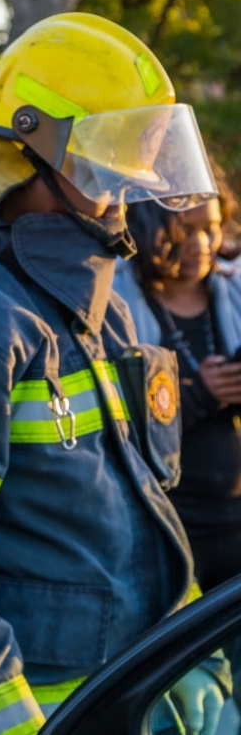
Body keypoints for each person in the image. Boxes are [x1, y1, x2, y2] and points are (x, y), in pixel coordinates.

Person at [0, 13, 227, 732]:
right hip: (59, 700)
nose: (124, 189)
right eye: (108, 161)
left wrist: (186, 655)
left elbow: (140, 503)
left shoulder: (95, 300)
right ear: (25, 154)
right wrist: (13, 720)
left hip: (139, 679)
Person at [115, 190, 241, 594]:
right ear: (147, 226)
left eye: (212, 227)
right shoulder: (118, 301)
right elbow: (121, 420)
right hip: (167, 520)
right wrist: (199, 393)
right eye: (185, 229)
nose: (201, 244)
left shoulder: (235, 289)